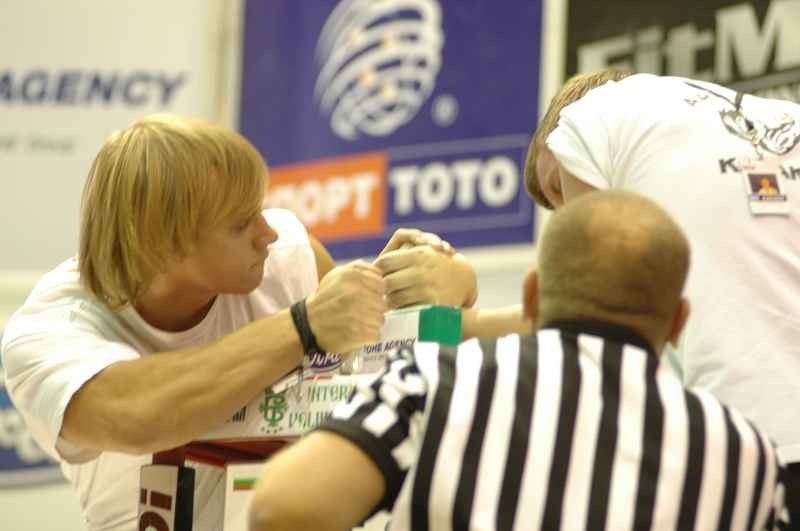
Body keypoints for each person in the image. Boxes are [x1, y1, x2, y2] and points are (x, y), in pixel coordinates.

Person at [0, 114, 480, 531]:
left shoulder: (287, 257)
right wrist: (302, 327)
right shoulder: (50, 327)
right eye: (240, 224)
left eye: (260, 211)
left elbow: (386, 363)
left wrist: (447, 285)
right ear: (165, 244)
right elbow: (137, 415)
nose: (268, 233)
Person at [249, 190, 789, 531]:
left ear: (531, 297)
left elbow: (280, 508)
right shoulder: (746, 454)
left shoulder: (436, 383)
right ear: (677, 323)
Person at [525, 70, 800, 520]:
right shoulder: (779, 117)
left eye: (558, 191)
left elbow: (591, 327)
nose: (564, 216)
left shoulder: (586, 118)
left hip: (752, 450)